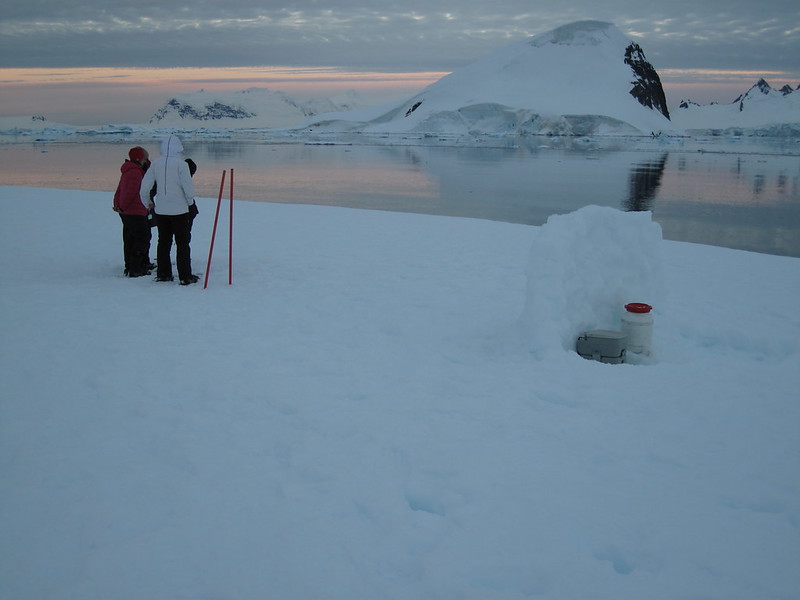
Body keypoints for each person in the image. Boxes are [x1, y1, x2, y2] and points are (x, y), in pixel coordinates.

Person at [139, 135, 199, 285]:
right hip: (180, 211)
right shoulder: (181, 165)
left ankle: (164, 274)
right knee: (182, 243)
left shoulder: (155, 164)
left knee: (163, 242)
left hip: (162, 210)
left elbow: (144, 188)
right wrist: (190, 202)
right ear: (178, 148)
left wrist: (148, 203)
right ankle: (185, 276)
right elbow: (188, 189)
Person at [112, 146, 153, 277]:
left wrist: (118, 205)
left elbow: (120, 189)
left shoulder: (128, 170)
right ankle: (136, 267)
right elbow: (130, 192)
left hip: (127, 211)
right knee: (142, 238)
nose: (147, 160)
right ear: (139, 158)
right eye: (145, 158)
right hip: (135, 211)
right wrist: (122, 206)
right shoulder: (135, 172)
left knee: (130, 238)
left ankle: (130, 265)